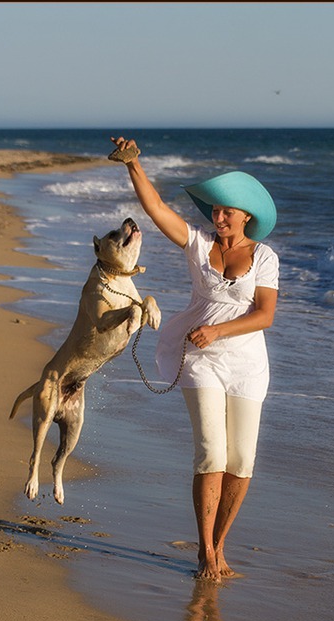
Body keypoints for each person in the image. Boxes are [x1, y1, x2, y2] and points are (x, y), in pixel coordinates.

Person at [110, 135, 279, 583]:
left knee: (241, 461)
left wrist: (219, 330)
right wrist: (133, 165)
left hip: (246, 364)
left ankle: (222, 544)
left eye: (228, 211)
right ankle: (205, 551)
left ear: (248, 216)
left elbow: (265, 314)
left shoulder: (264, 257)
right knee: (211, 453)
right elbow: (158, 210)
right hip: (199, 359)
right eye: (216, 211)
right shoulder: (200, 244)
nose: (219, 218)